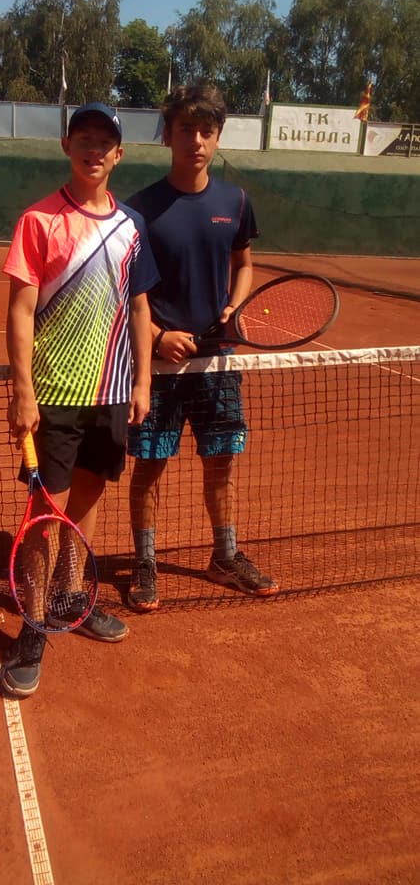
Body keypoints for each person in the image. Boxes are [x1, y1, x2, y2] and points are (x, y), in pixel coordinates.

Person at [0, 101, 160, 696]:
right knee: (45, 517)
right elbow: (20, 310)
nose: (94, 150)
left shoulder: (132, 226)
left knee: (86, 503)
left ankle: (71, 597)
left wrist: (142, 382)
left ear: (119, 154)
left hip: (112, 392)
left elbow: (139, 308)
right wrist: (23, 390)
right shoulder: (39, 221)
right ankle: (34, 626)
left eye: (104, 142)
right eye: (83, 139)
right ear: (68, 147)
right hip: (55, 395)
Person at [126, 83, 279, 613]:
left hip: (217, 361)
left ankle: (225, 555)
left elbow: (244, 264)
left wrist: (234, 306)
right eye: (186, 129)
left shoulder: (235, 202)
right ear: (168, 135)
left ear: (217, 138)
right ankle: (145, 562)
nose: (196, 140)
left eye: (206, 131)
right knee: (150, 466)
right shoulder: (138, 209)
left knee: (221, 462)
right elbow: (125, 292)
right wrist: (157, 336)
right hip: (159, 367)